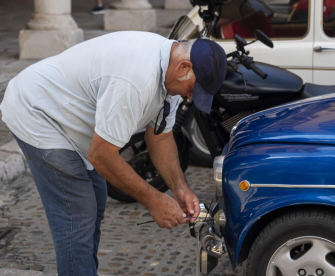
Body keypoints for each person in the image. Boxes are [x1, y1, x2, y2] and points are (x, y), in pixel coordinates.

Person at [0, 31, 228, 276]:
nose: (191, 98)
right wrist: (155, 201)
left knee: (96, 199)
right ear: (184, 66)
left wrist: (179, 187)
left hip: (72, 120)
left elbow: (160, 136)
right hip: (37, 111)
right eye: (193, 89)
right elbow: (101, 156)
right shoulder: (136, 80)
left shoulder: (170, 76)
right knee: (77, 213)